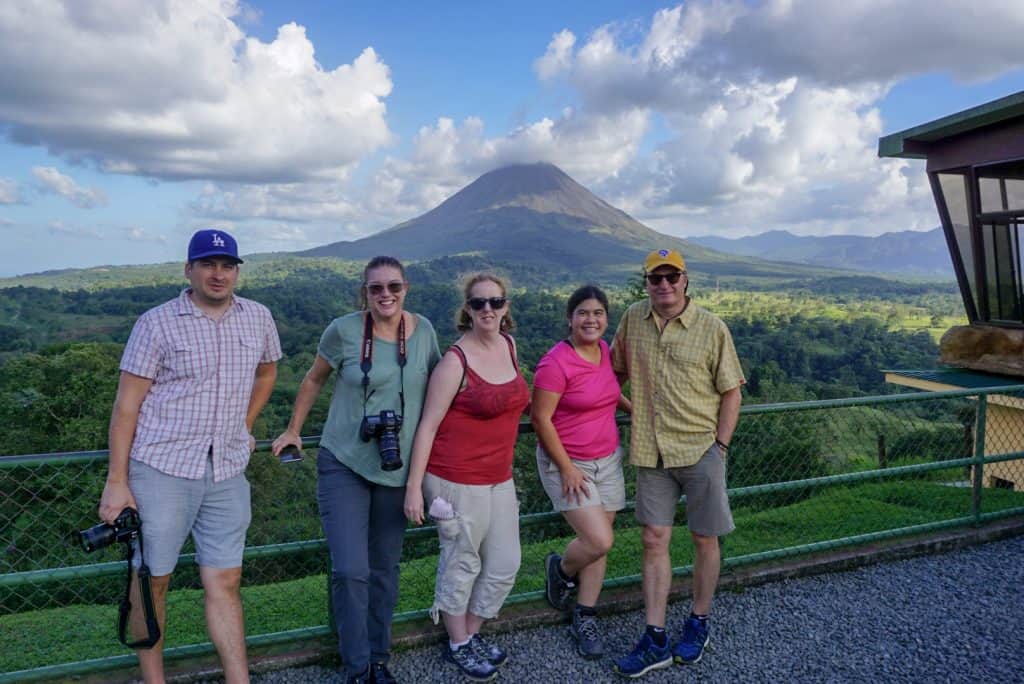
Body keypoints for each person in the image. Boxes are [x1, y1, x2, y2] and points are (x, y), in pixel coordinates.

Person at [98, 229, 282, 684]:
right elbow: (126, 407)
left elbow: (267, 372)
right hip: (162, 469)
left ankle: (239, 681)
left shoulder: (258, 317)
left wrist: (245, 424)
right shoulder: (157, 322)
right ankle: (153, 680)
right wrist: (116, 481)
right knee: (151, 581)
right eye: (208, 264)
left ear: (237, 270)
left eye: (227, 265)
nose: (218, 273)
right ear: (189, 270)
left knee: (225, 582)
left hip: (227, 469)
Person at [271, 256, 440, 684]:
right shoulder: (343, 330)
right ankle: (356, 665)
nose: (386, 295)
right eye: (376, 288)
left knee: (384, 569)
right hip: (343, 461)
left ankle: (379, 659)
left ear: (407, 288)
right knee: (350, 570)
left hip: (396, 469)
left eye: (394, 287)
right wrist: (293, 429)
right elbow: (313, 379)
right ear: (363, 292)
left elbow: (442, 391)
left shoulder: (425, 334)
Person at [610, 248, 744, 678]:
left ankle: (699, 620)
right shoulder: (633, 318)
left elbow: (732, 391)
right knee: (653, 539)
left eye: (672, 277)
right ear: (645, 282)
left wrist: (720, 447)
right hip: (651, 451)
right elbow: (612, 373)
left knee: (705, 539)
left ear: (686, 280)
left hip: (701, 448)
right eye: (655, 278)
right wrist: (631, 408)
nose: (664, 285)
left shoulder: (711, 328)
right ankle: (655, 635)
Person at [403, 273, 530, 683]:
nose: (488, 309)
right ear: (467, 310)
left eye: (495, 302)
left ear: (506, 306)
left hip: (499, 475)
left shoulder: (509, 347)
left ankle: (471, 633)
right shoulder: (454, 362)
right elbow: (427, 426)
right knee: (462, 561)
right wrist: (414, 490)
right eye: (479, 304)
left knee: (505, 562)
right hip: (454, 478)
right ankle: (458, 643)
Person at [531, 284, 632, 660]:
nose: (591, 319)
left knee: (599, 541)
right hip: (568, 463)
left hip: (607, 458)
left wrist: (632, 408)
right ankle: (560, 569)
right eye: (583, 313)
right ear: (570, 319)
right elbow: (540, 419)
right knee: (600, 540)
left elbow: (606, 392)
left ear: (606, 318)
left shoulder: (604, 351)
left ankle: (584, 614)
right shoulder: (555, 363)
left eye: (598, 313)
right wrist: (567, 468)